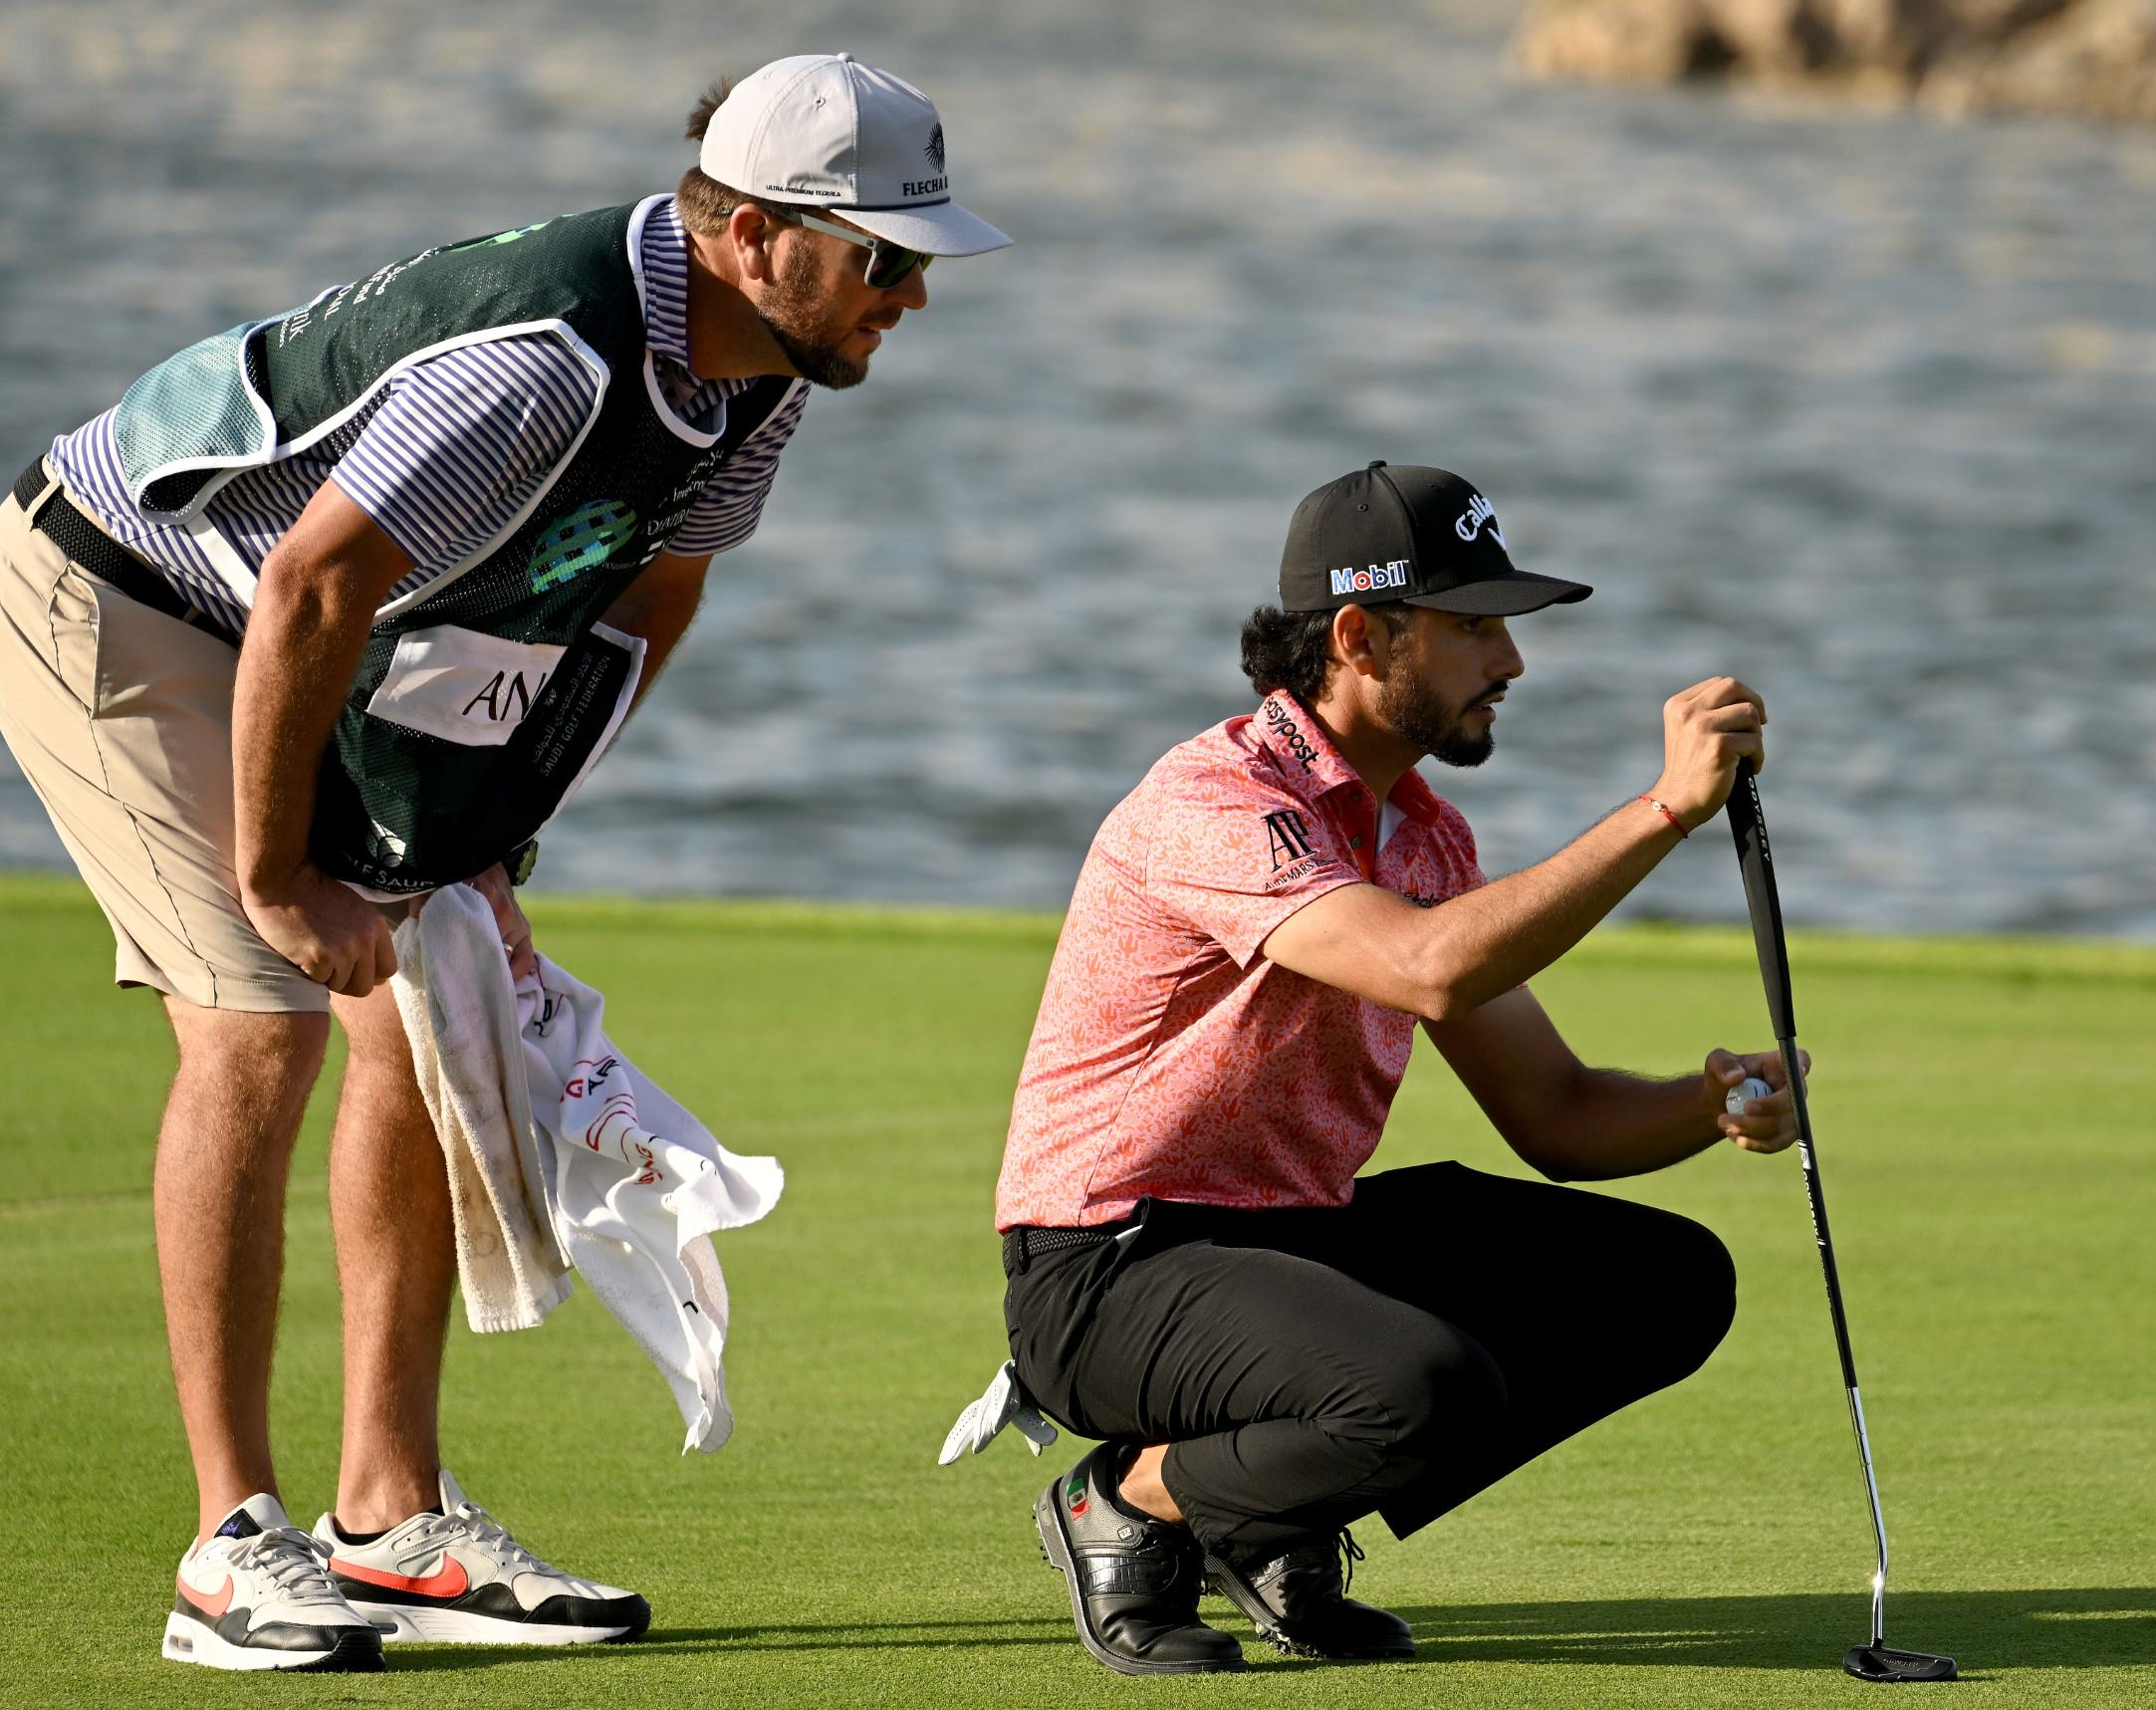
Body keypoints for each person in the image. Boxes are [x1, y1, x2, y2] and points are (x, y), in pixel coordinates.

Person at [0, 53, 1008, 1673]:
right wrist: (276, 878)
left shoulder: (763, 373)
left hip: (309, 623)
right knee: (261, 1012)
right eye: (883, 257)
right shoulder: (549, 364)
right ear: (753, 236)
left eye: (921, 259)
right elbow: (311, 592)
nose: (913, 294)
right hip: (121, 585)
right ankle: (225, 1549)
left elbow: (638, 600)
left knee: (411, 988)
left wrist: (488, 831)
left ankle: (387, 1520)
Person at [993, 461, 1804, 1675]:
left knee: (1666, 1279)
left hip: (1287, 1239)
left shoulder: (1424, 831)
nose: (1511, 664)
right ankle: (1134, 1504)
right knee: (1424, 1387)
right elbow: (1426, 968)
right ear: (1361, 635)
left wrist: (1710, 1103)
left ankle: (1262, 1516)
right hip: (1111, 1266)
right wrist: (1663, 812)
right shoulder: (1213, 798)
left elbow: (1558, 1115)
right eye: (1474, 628)